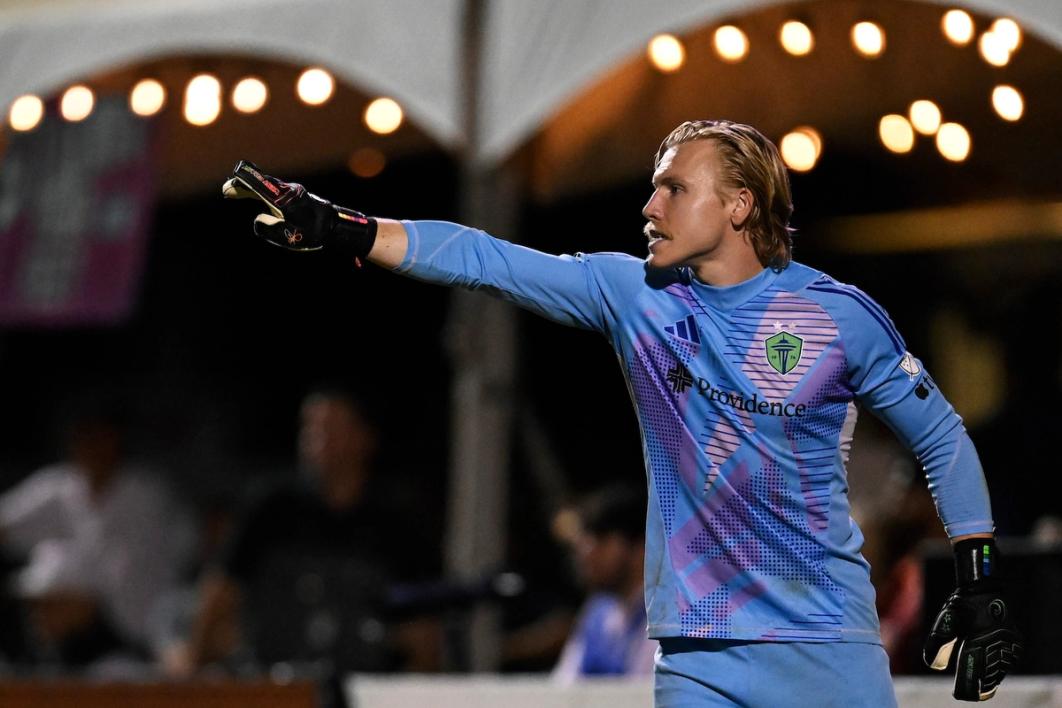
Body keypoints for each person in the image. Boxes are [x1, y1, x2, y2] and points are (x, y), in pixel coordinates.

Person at [222, 119, 1023, 705]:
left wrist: (980, 578)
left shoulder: (837, 315)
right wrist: (344, 228)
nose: (650, 205)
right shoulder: (631, 295)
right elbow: (485, 259)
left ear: (739, 205)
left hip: (825, 651)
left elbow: (942, 439)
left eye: (674, 187)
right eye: (652, 186)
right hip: (696, 659)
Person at [162, 387, 438, 679]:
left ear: (365, 438)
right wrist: (192, 669)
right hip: (273, 683)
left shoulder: (396, 522)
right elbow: (220, 591)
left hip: (363, 685)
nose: (317, 440)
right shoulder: (274, 507)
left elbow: (423, 632)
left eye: (332, 428)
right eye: (311, 428)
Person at [0, 397, 196, 674]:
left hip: (141, 644)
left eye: (96, 435)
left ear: (116, 437)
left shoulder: (147, 495)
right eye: (80, 435)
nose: (87, 444)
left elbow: (191, 548)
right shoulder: (58, 487)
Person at [553, 485, 656, 681]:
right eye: (585, 538)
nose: (586, 551)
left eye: (601, 538)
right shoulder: (597, 612)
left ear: (641, 546)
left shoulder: (666, 616)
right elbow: (563, 688)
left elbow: (644, 694)